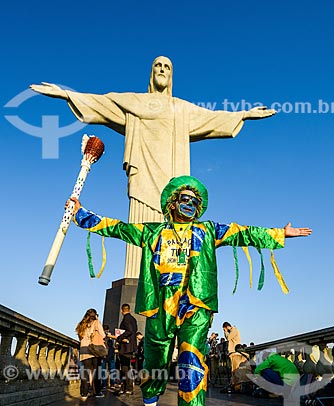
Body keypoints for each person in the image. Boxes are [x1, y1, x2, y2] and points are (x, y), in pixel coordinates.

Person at [67, 174, 311, 406]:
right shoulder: (152, 232)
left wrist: (280, 234)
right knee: (154, 361)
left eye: (195, 201)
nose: (191, 204)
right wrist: (81, 213)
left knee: (191, 362)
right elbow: (118, 228)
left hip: (195, 304)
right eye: (185, 199)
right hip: (159, 305)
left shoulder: (208, 231)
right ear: (172, 203)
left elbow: (243, 232)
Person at [31, 55, 276, 278]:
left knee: (173, 222)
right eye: (158, 65)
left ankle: (168, 274)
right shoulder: (134, 101)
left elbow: (212, 117)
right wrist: (65, 94)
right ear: (151, 72)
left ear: (171, 75)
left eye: (167, 67)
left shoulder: (181, 108)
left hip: (173, 177)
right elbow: (101, 103)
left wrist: (243, 114)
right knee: (140, 229)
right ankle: (137, 278)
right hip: (143, 173)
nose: (162, 69)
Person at [75, 308, 105, 399]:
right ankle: (96, 392)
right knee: (96, 372)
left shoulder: (81, 324)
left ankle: (84, 393)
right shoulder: (96, 322)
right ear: (95, 315)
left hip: (84, 350)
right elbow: (103, 335)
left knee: (85, 372)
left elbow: (80, 337)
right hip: (94, 349)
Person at [117, 304, 138, 395]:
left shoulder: (126, 319)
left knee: (125, 368)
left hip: (126, 347)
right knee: (126, 368)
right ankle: (126, 387)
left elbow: (129, 331)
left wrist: (120, 337)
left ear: (122, 310)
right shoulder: (133, 319)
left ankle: (127, 388)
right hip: (130, 346)